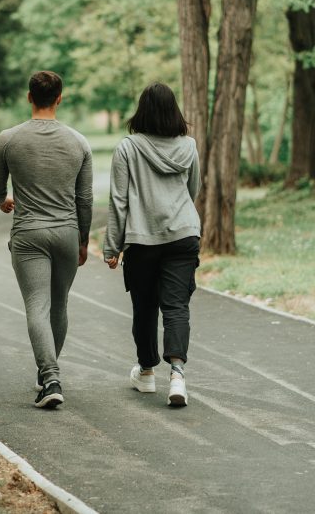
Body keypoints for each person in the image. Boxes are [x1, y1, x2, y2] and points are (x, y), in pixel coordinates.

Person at [0, 71, 93, 409]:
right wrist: (82, 240)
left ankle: (49, 376)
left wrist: (4, 200)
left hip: (28, 234)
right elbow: (85, 198)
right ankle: (48, 374)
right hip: (66, 232)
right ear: (59, 97)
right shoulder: (79, 142)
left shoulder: (8, 139)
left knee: (37, 305)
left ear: (30, 97)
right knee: (59, 304)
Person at [103, 83, 201, 407]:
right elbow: (193, 189)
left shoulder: (127, 148)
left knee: (145, 307)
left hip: (142, 239)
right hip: (183, 234)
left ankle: (146, 372)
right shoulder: (189, 146)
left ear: (141, 111)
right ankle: (177, 375)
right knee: (176, 306)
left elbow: (118, 201)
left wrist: (111, 247)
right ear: (174, 111)